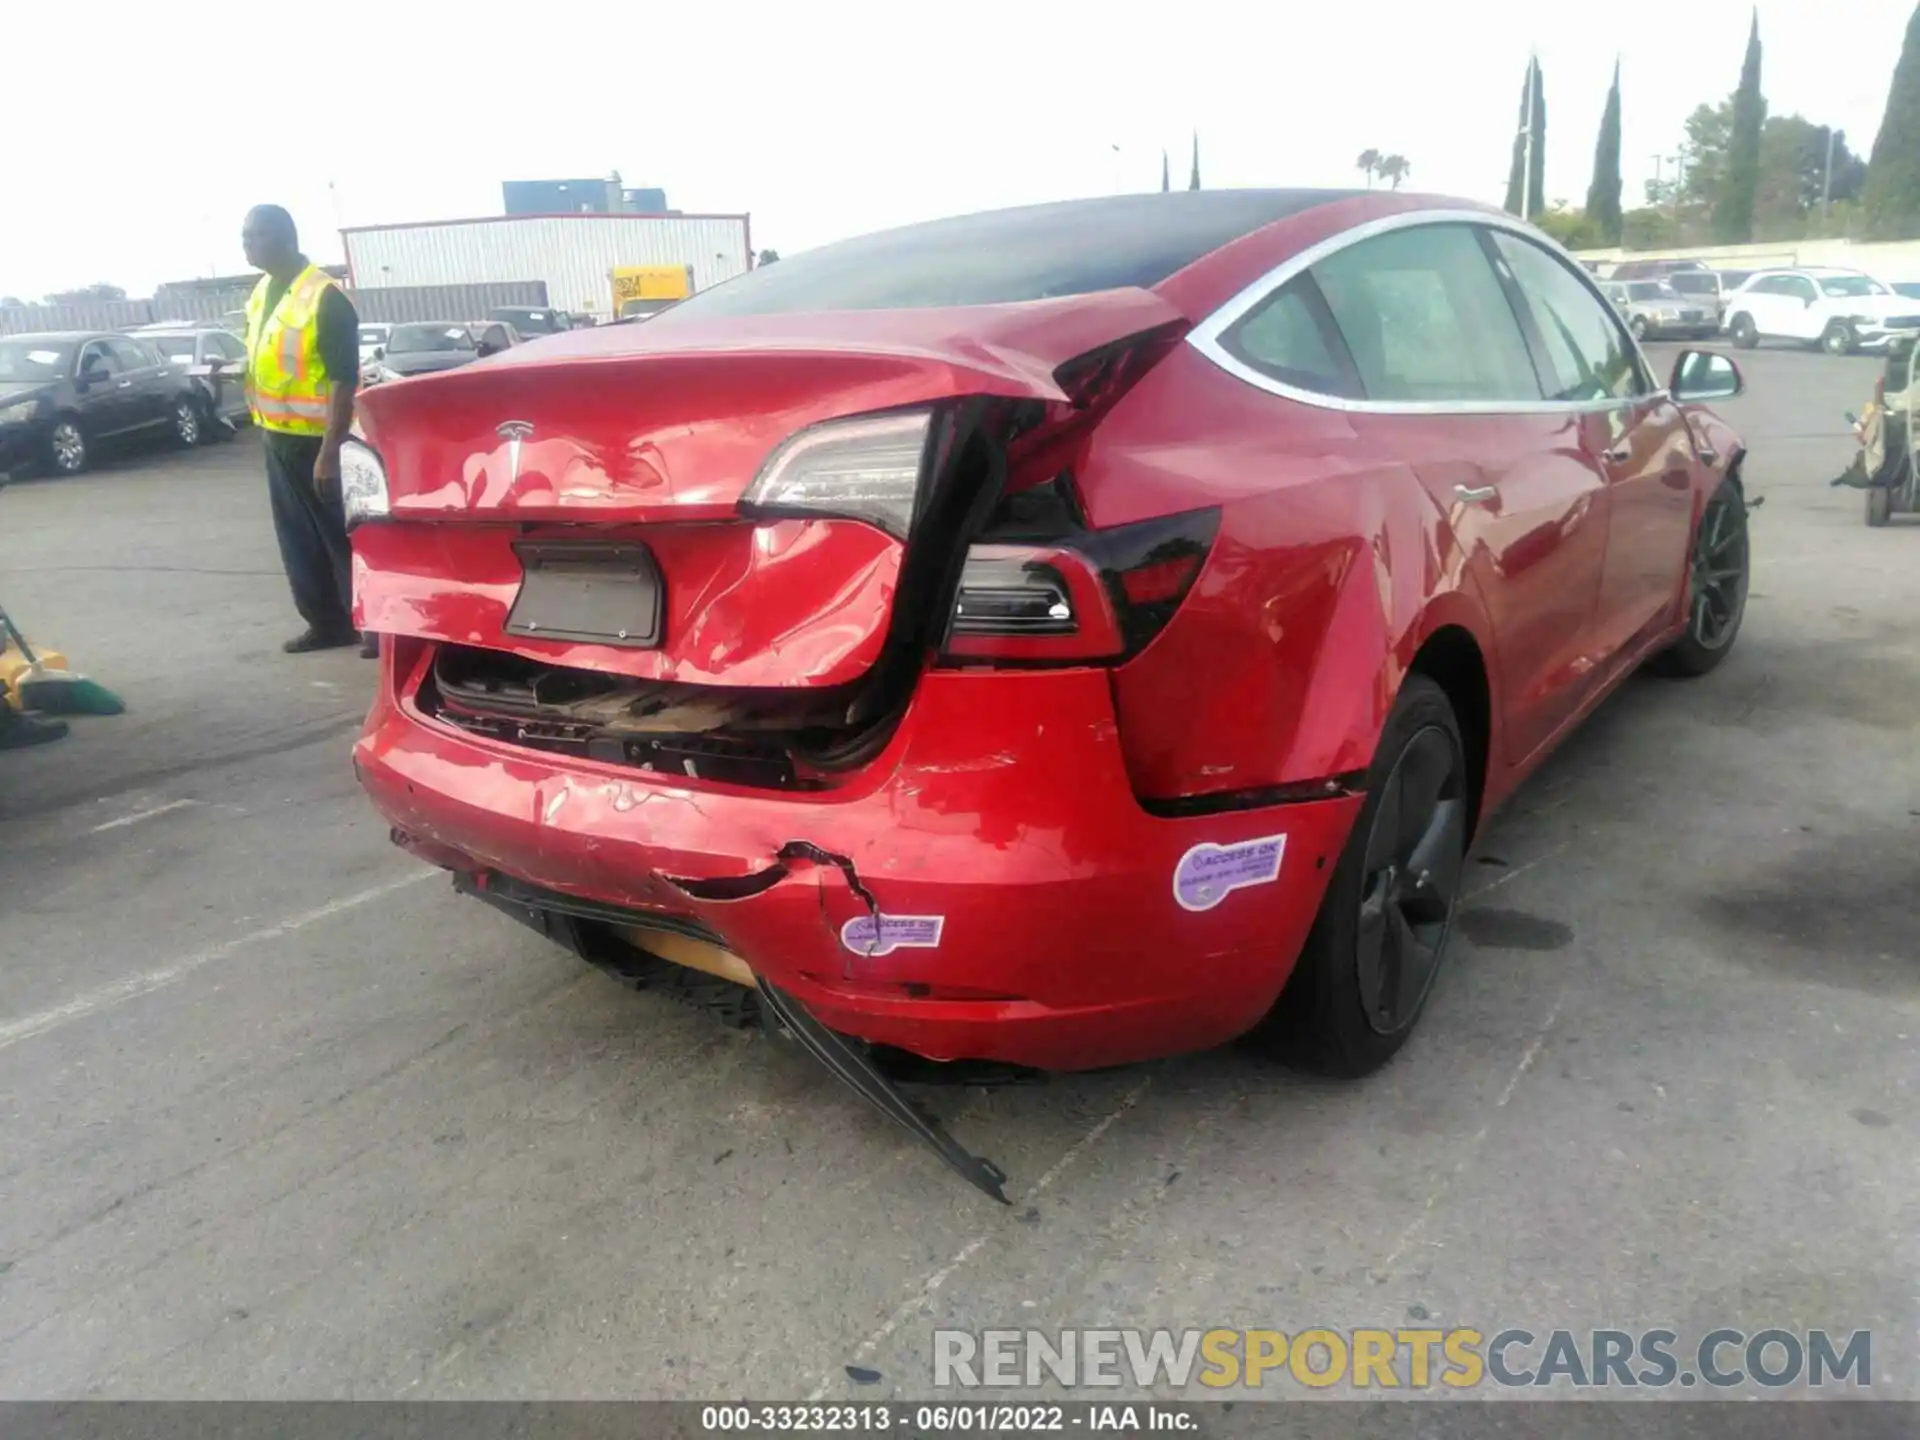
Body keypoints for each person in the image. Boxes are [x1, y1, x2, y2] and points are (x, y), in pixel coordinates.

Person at [240, 204, 374, 657]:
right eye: (244, 236)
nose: (246, 244)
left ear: (283, 237)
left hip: (319, 440)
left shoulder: (324, 297)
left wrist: (329, 450)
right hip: (276, 435)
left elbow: (342, 378)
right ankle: (327, 622)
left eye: (255, 235)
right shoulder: (263, 290)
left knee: (341, 536)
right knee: (298, 537)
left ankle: (373, 625)